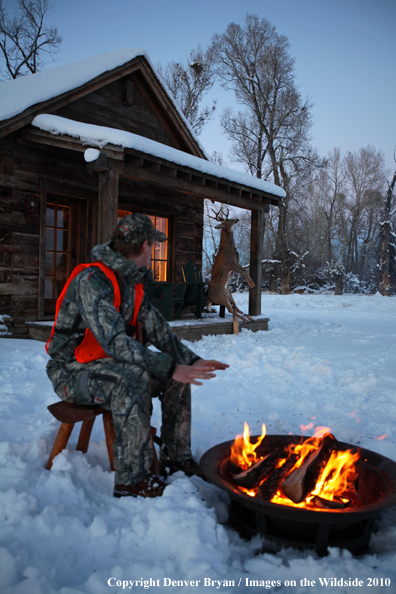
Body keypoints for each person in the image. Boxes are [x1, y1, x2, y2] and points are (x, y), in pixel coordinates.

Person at [46, 213, 228, 498]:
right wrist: (169, 367)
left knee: (175, 376)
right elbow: (116, 343)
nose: (153, 252)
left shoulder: (130, 284)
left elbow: (161, 333)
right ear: (145, 247)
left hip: (104, 365)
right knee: (132, 378)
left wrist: (191, 362)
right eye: (154, 247)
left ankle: (176, 458)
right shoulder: (92, 281)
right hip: (70, 372)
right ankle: (133, 480)